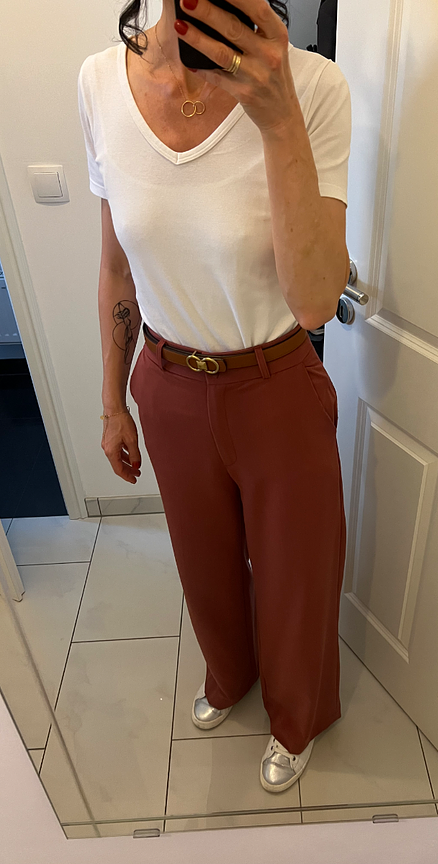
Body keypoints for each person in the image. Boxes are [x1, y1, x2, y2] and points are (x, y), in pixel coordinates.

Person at [77, 0, 351, 794]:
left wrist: (277, 118)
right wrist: (112, 401)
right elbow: (117, 266)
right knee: (204, 564)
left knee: (298, 575)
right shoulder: (99, 82)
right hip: (166, 383)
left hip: (275, 381)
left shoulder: (314, 87)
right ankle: (231, 676)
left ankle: (296, 719)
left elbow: (316, 302)